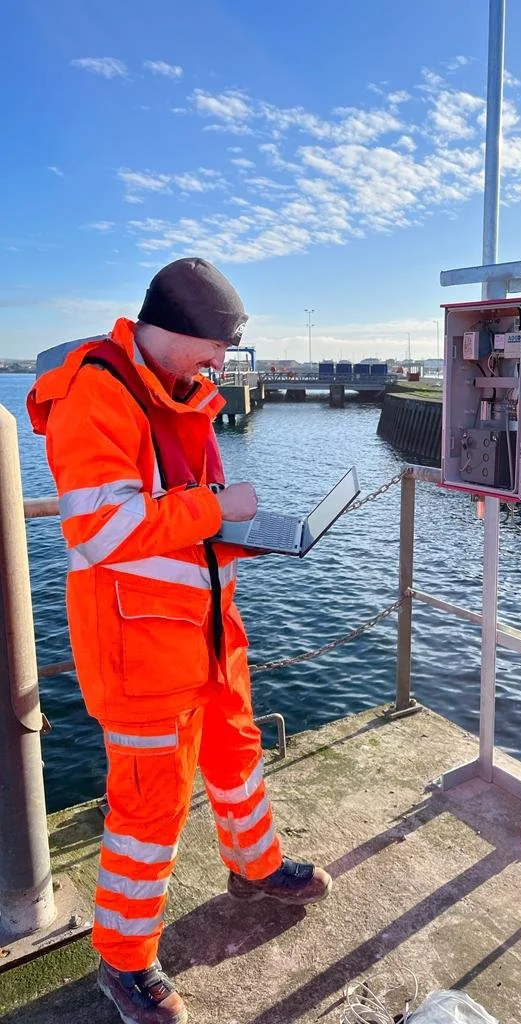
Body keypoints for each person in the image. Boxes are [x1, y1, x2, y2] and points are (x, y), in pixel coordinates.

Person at [27, 258, 331, 1024]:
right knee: (149, 808)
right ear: (170, 329)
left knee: (236, 754)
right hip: (137, 652)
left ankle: (254, 867)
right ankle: (123, 962)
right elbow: (106, 533)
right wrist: (215, 505)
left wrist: (249, 534)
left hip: (207, 638)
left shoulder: (183, 395)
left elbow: (188, 529)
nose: (222, 365)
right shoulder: (93, 392)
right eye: (215, 347)